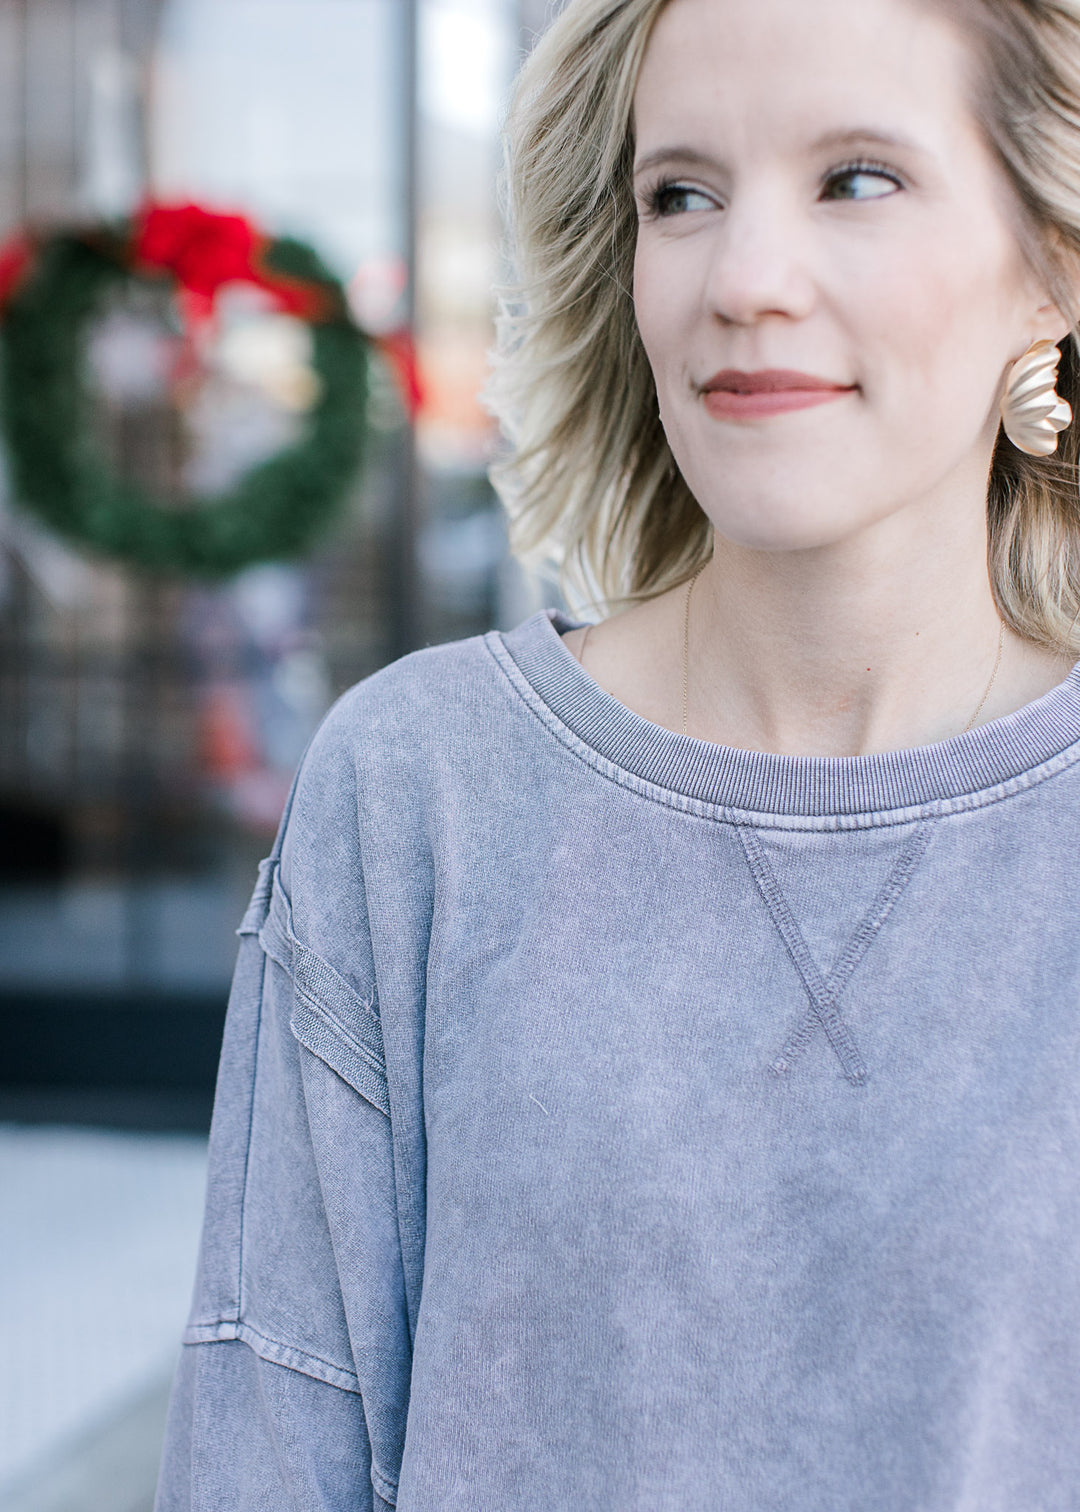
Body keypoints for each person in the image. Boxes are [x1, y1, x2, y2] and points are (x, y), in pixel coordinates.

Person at [155, 0, 1080, 1506]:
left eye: (856, 178)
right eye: (682, 195)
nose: (743, 280)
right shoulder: (423, 794)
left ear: (1053, 264)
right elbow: (269, 1449)